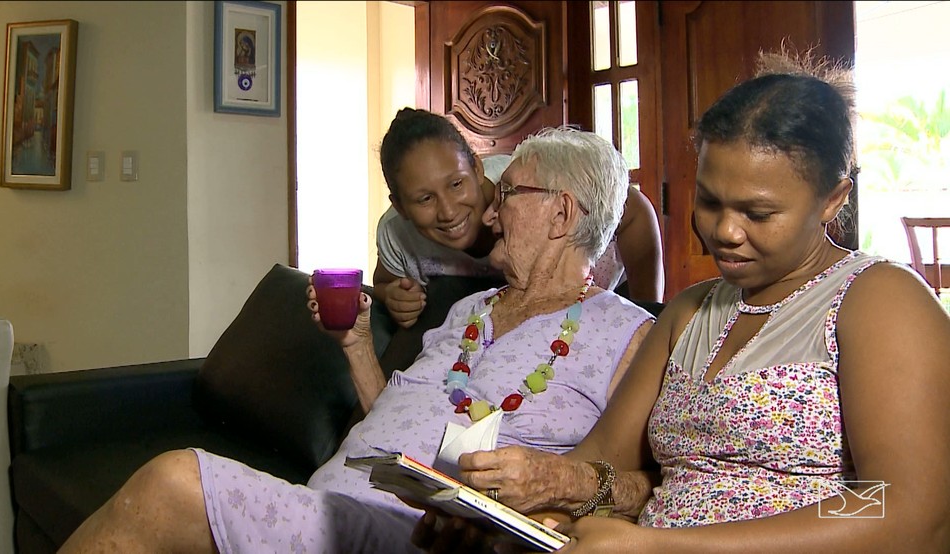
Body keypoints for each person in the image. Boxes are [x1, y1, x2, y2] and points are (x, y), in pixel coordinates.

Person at [411, 49, 950, 552]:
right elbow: (596, 465)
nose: (726, 231)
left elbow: (904, 507)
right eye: (710, 201)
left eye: (758, 213)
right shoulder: (690, 312)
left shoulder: (879, 300)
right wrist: (501, 512)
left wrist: (668, 547)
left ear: (834, 199)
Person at [57, 127, 656, 554]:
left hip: (419, 529)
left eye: (509, 196)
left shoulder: (629, 333)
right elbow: (395, 416)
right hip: (338, 499)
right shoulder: (471, 308)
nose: (491, 215)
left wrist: (548, 492)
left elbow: (640, 483)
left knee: (175, 483)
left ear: (561, 214)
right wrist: (353, 341)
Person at [373, 108, 664, 329]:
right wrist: (393, 295)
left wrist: (648, 310)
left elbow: (634, 207)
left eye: (456, 184)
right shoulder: (396, 234)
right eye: (425, 199)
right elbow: (384, 282)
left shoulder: (524, 182)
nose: (448, 211)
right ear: (399, 206)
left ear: (476, 167)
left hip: (602, 277)